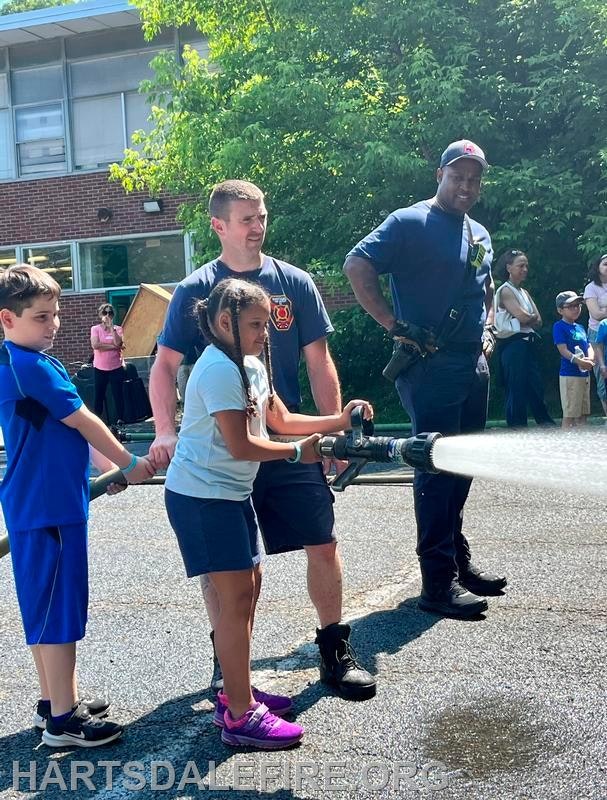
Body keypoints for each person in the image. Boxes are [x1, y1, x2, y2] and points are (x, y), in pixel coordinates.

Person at [149, 179, 376, 701]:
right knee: (231, 570)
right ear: (219, 226)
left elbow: (319, 362)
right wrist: (164, 429)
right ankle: (228, 670)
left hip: (285, 436)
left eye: (262, 216)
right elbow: (163, 367)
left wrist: (333, 430)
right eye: (246, 218)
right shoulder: (197, 292)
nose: (258, 226)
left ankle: (334, 649)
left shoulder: (293, 282)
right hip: (232, 455)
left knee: (323, 540)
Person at [165, 277, 372, 747]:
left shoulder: (251, 363)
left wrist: (341, 419)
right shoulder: (218, 369)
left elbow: (277, 420)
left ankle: (238, 691)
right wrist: (298, 453)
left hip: (227, 495)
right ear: (224, 323)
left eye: (267, 323)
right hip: (202, 499)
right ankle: (239, 715)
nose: (266, 333)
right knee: (236, 599)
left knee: (249, 590)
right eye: (255, 324)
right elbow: (241, 444)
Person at [343, 139, 507, 619]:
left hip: (472, 361)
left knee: (463, 466)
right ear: (440, 175)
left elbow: (488, 286)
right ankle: (437, 584)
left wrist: (490, 329)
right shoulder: (409, 221)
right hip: (429, 364)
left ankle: (456, 561)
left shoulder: (478, 232)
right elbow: (356, 264)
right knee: (435, 470)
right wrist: (393, 324)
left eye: (474, 178)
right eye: (458, 176)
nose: (467, 185)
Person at [0, 265, 154, 747]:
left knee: (45, 607)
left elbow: (66, 429)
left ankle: (54, 699)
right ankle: (63, 723)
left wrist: (102, 471)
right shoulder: (29, 367)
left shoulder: (22, 360)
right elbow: (85, 419)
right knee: (58, 611)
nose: (54, 325)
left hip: (44, 503)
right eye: (42, 317)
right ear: (7, 318)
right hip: (49, 508)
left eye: (57, 314)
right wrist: (129, 462)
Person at [494, 249, 555, 427]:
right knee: (516, 387)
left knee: (535, 385)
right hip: (512, 344)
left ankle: (545, 423)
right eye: (521, 265)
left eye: (526, 265)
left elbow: (538, 320)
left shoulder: (524, 292)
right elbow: (525, 318)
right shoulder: (505, 290)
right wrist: (528, 318)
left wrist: (528, 318)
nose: (525, 269)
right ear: (509, 268)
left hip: (528, 343)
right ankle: (517, 427)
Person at [552, 291, 594, 428]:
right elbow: (563, 350)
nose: (576, 309)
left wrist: (590, 358)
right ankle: (565, 445)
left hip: (584, 375)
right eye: (571, 306)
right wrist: (580, 362)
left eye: (578, 305)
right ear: (560, 310)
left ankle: (581, 444)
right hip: (570, 375)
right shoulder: (559, 326)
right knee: (570, 415)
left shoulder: (580, 327)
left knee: (583, 414)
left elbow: (589, 345)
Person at [91, 303, 125, 422]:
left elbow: (118, 343)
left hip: (116, 367)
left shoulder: (118, 329)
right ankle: (97, 420)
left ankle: (121, 418)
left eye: (110, 313)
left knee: (118, 394)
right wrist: (114, 346)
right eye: (105, 313)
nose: (107, 315)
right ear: (100, 314)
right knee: (99, 394)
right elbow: (95, 345)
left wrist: (111, 329)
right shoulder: (95, 329)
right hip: (100, 368)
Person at [583, 254, 607, 416]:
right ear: (597, 267)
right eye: (606, 264)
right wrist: (602, 312)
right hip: (598, 335)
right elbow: (596, 314)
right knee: (603, 375)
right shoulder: (591, 288)